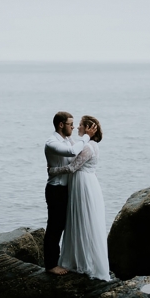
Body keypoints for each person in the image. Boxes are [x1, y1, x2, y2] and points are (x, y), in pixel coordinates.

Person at [48, 115, 110, 281]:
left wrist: (52, 171)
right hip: (84, 183)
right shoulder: (88, 144)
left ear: (88, 129)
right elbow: (73, 149)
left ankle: (85, 262)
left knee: (83, 221)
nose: (77, 127)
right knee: (80, 221)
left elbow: (72, 167)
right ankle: (79, 259)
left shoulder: (88, 146)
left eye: (80, 125)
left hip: (83, 185)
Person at [43, 111, 89, 275]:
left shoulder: (69, 139)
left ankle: (66, 259)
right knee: (55, 227)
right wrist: (87, 137)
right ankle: (50, 265)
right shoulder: (51, 142)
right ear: (61, 125)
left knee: (64, 226)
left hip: (66, 189)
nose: (74, 126)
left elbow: (77, 152)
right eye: (71, 124)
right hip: (56, 189)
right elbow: (71, 152)